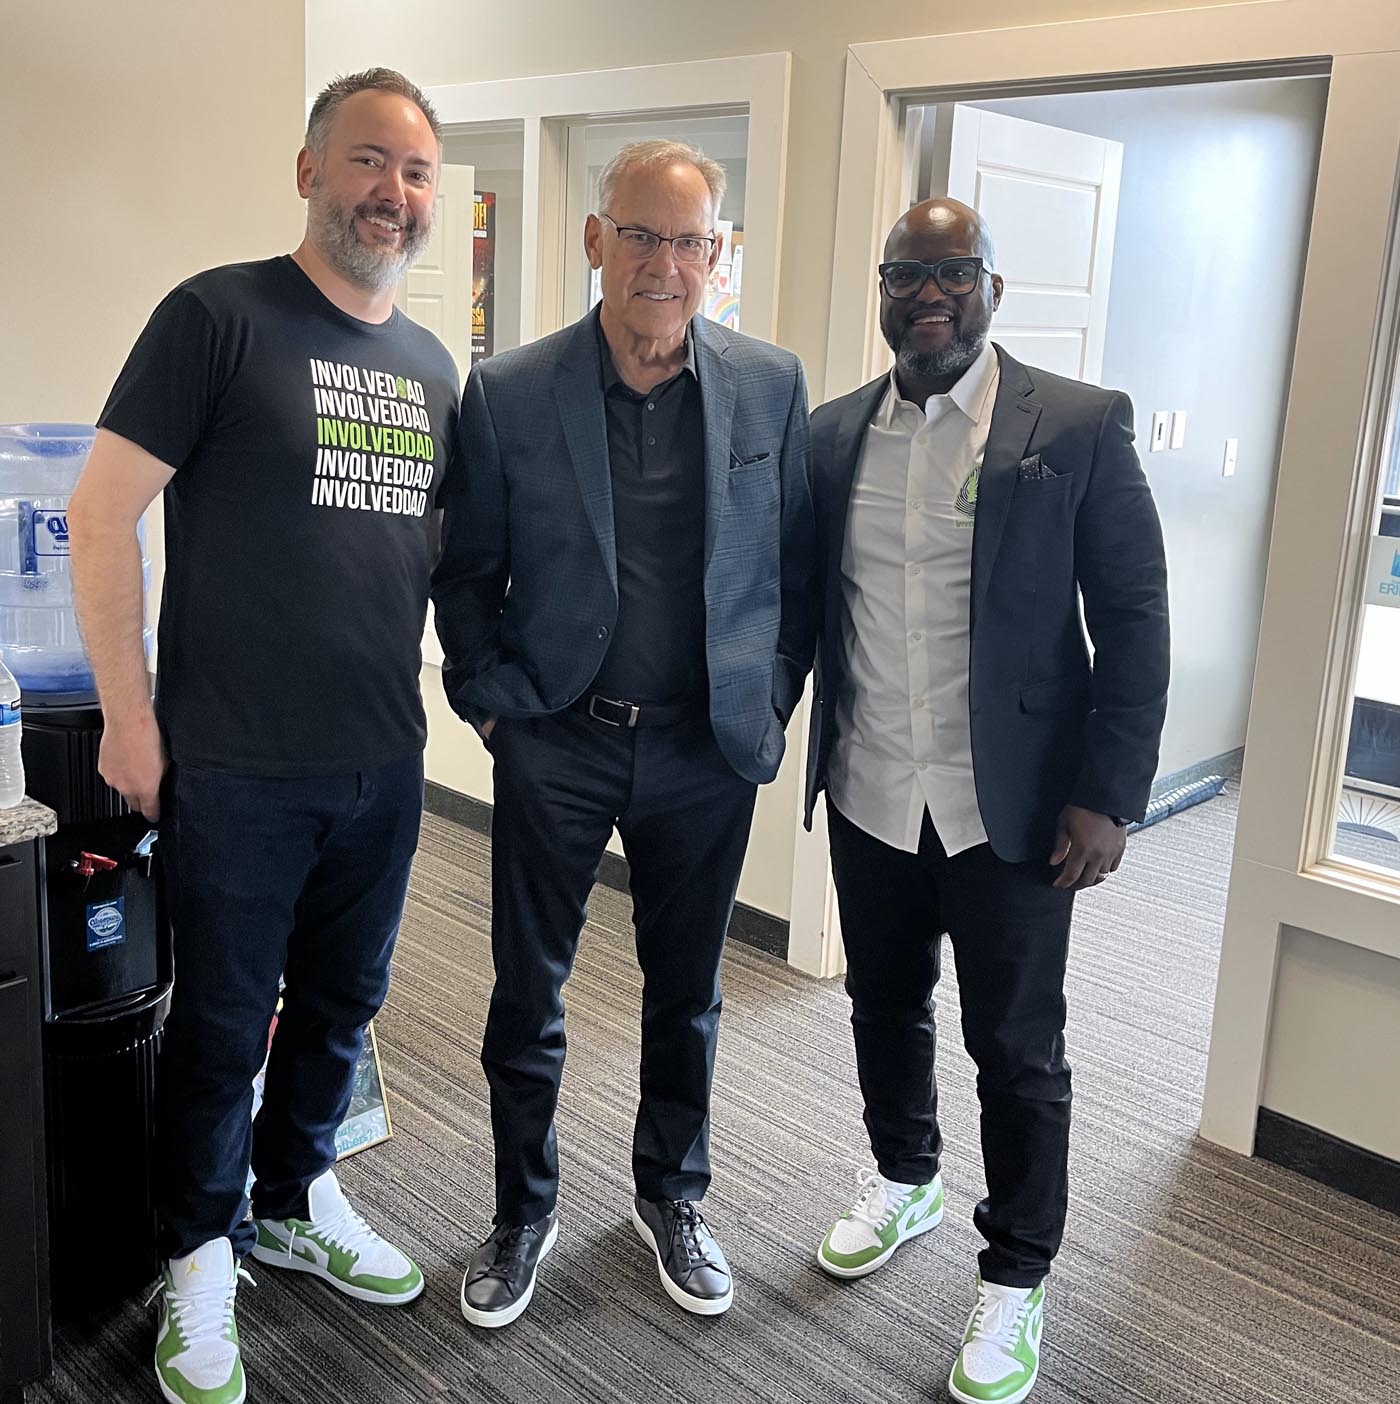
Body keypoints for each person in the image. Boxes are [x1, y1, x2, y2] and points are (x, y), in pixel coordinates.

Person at [67, 68, 459, 1404]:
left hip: (381, 761)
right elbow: (99, 514)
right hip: (234, 765)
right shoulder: (218, 317)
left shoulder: (431, 368)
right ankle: (197, 1257)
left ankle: (295, 1197)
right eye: (368, 160)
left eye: (415, 171)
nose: (393, 192)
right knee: (223, 1024)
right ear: (308, 172)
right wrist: (128, 716)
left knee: (342, 1006)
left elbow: (424, 557)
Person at [432, 139, 815, 1328]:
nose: (663, 263)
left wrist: (767, 701)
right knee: (527, 991)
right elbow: (465, 571)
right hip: (558, 737)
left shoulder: (768, 385)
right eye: (640, 235)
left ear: (716, 255)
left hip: (705, 748)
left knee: (686, 991)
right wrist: (491, 706)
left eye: (687, 241)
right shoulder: (509, 390)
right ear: (597, 239)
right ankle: (521, 1210)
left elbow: (794, 572)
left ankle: (671, 1195)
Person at [804, 198, 1169, 1404]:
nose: (929, 295)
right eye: (906, 276)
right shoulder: (831, 435)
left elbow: (1132, 617)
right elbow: (808, 610)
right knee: (881, 1003)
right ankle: (903, 1176)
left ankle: (1015, 1272)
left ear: (992, 289)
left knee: (1014, 1047)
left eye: (954, 273)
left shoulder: (1075, 423)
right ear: (880, 291)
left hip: (1010, 811)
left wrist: (1107, 794)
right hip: (869, 790)